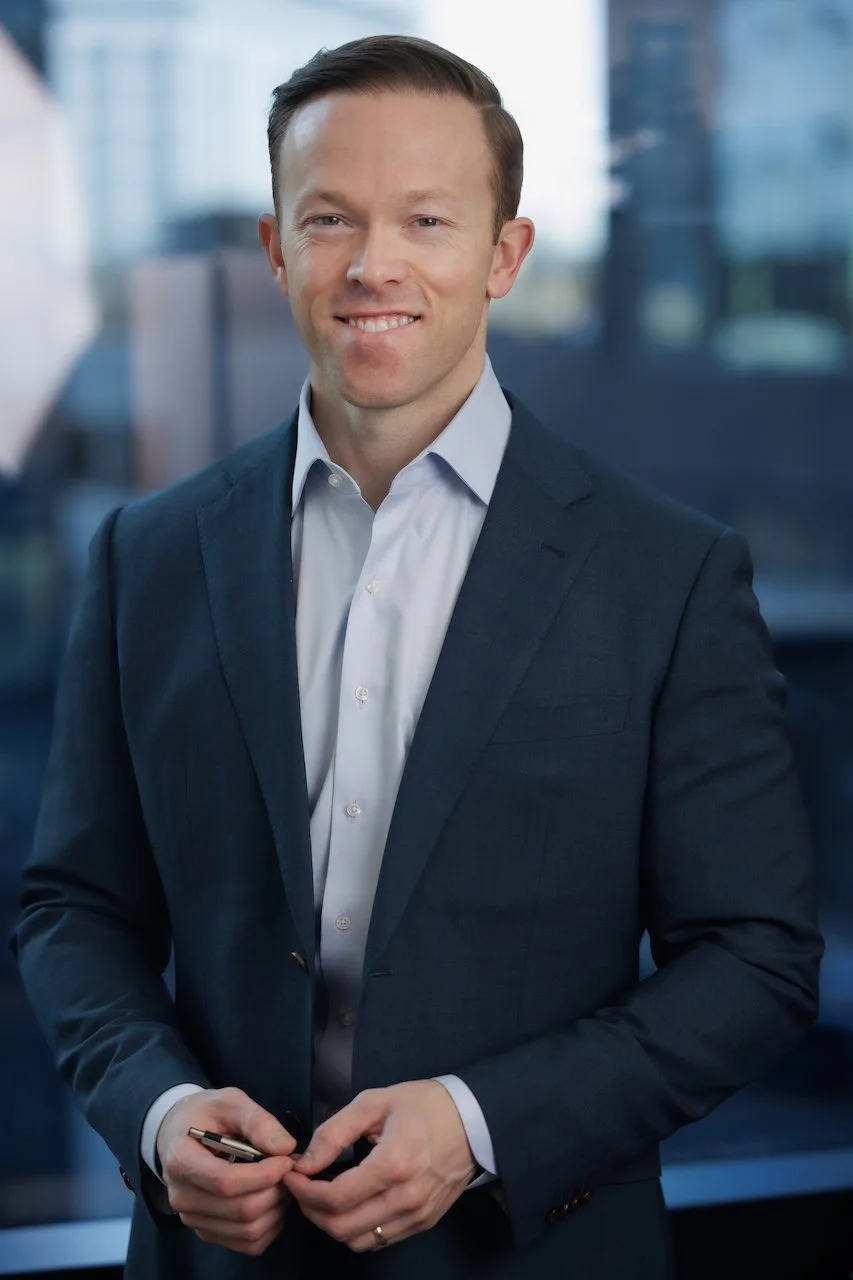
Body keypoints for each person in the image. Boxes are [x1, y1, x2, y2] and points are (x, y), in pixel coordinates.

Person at [13, 33, 822, 1280]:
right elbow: (75, 908)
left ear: (504, 254)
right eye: (329, 217)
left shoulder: (665, 573)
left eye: (427, 219)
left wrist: (484, 1125)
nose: (371, 265)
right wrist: (157, 1110)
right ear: (277, 248)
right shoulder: (149, 556)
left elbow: (755, 959)